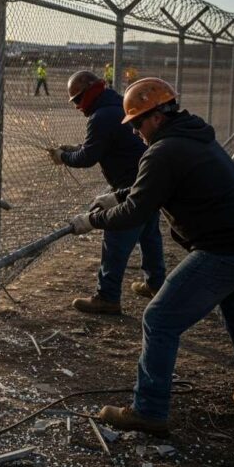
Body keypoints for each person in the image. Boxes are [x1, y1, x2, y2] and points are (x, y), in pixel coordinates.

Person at [69, 77, 234, 436]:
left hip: (227, 251)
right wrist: (117, 195)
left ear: (156, 117)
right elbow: (155, 185)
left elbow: (136, 211)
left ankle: (149, 411)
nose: (135, 131)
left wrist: (92, 221)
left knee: (159, 318)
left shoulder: (164, 150)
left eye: (137, 123)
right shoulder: (191, 135)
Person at [48, 71, 165, 314]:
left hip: (129, 185)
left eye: (78, 99)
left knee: (116, 236)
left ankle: (107, 297)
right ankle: (156, 284)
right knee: (149, 233)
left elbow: (88, 158)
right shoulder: (117, 104)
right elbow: (101, 145)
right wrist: (74, 149)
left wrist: (64, 157)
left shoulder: (101, 116)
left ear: (90, 90)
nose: (78, 106)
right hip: (148, 182)